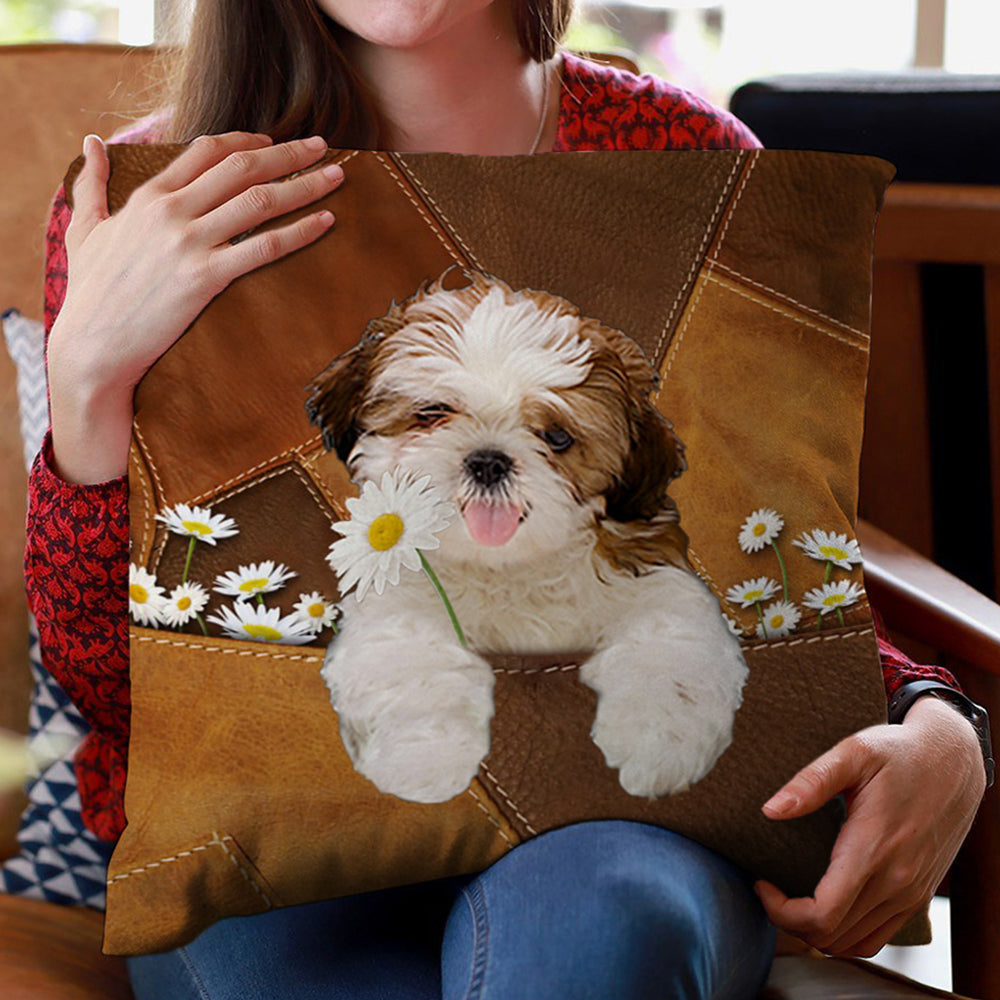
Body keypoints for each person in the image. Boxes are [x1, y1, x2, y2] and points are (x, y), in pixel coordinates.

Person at [24, 1, 987, 997]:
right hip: (263, 820)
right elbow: (107, 681)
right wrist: (88, 382)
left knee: (601, 925)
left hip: (618, 823)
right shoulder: (156, 206)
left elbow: (763, 554)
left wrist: (934, 713)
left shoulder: (694, 166)